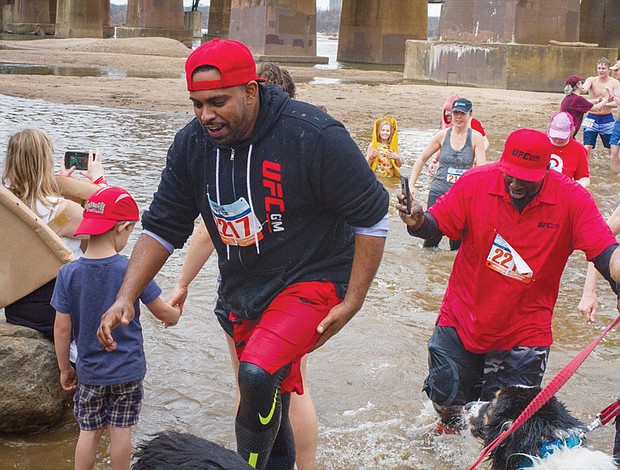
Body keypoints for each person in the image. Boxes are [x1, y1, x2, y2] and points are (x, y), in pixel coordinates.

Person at [96, 38, 389, 469]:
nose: (205, 115)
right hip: (244, 289)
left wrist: (354, 299)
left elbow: (373, 214)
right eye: (196, 104)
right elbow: (162, 227)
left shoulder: (313, 134)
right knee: (268, 390)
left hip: (314, 277)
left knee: (256, 373)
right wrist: (125, 296)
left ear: (251, 91)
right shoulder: (191, 145)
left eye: (217, 102)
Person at [397, 128, 620, 432]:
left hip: (524, 333)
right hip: (463, 319)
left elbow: (605, 252)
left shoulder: (571, 198)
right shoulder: (475, 183)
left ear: (545, 172)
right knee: (447, 406)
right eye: (510, 175)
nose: (515, 184)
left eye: (525, 179)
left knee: (505, 429)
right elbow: (436, 225)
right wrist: (418, 220)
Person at [168, 61, 319, 470]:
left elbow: (205, 230)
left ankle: (251, 463)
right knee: (294, 386)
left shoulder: (237, 161)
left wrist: (181, 283)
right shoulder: (301, 150)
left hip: (252, 296)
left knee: (252, 383)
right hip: (297, 297)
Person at [52, 186, 180, 470]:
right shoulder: (130, 270)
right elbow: (161, 310)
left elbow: (62, 329)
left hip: (89, 372)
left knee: (89, 432)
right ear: (122, 228)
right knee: (121, 432)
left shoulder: (68, 273)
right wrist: (176, 312)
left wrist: (65, 368)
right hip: (127, 370)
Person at [2, 128, 105, 340]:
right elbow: (110, 235)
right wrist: (99, 183)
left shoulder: (7, 208)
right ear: (45, 163)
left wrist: (58, 186)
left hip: (17, 309)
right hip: (55, 312)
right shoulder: (65, 210)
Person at [408, 97, 486, 250]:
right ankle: (430, 271)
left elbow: (481, 170)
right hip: (439, 191)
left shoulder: (476, 137)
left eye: (462, 114)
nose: (458, 117)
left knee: (457, 242)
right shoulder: (442, 135)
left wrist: (480, 197)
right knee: (431, 237)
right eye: (455, 113)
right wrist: (411, 184)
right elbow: (422, 158)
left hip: (461, 195)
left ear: (470, 115)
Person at [427, 95, 489, 175]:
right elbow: (443, 145)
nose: (446, 113)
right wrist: (434, 160)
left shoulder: (473, 123)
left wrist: (478, 155)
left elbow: (485, 141)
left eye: (448, 110)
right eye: (445, 110)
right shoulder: (447, 127)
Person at [580, 58, 619, 167]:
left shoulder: (615, 83)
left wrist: (605, 104)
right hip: (592, 117)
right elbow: (584, 88)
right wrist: (580, 88)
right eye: (599, 68)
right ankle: (584, 168)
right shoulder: (592, 80)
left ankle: (613, 171)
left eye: (603, 68)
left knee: (611, 148)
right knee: (587, 147)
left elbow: (617, 102)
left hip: (607, 118)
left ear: (608, 70)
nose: (601, 70)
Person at [547, 111, 590, 188]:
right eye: (555, 136)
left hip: (563, 190)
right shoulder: (540, 141)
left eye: (562, 137)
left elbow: (584, 177)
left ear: (571, 132)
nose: (558, 140)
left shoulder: (579, 149)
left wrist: (579, 185)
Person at [560, 74, 610, 138]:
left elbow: (584, 103)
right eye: (581, 83)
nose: (582, 85)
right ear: (578, 85)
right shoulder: (578, 99)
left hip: (564, 130)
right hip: (569, 132)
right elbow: (596, 108)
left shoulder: (569, 97)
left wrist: (597, 100)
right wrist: (606, 98)